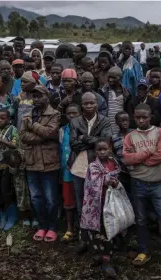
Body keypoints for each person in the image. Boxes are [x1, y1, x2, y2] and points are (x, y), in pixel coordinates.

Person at [123, 103, 161, 279]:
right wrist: (148, 154)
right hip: (138, 184)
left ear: (150, 116)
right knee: (141, 220)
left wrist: (141, 161)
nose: (141, 120)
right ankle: (143, 251)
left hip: (158, 185)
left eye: (144, 117)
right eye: (138, 117)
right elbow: (127, 159)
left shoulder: (160, 132)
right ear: (134, 117)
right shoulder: (130, 136)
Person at [68, 92, 112, 253]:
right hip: (78, 167)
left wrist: (84, 138)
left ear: (96, 104)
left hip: (98, 169)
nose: (88, 106)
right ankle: (84, 239)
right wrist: (94, 141)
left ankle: (98, 240)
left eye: (91, 103)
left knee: (98, 203)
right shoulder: (74, 121)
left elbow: (105, 142)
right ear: (81, 105)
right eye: (85, 104)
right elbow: (73, 144)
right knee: (81, 205)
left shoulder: (105, 121)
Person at [20, 85, 61, 242]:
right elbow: (23, 135)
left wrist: (33, 126)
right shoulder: (28, 114)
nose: (36, 99)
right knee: (36, 197)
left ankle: (53, 227)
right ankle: (42, 226)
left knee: (50, 198)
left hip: (49, 162)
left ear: (47, 96)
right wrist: (41, 136)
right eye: (34, 97)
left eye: (40, 96)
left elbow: (50, 132)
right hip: (31, 161)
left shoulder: (55, 114)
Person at [80, 138, 121, 279]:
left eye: (105, 149)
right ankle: (100, 256)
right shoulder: (93, 166)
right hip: (97, 204)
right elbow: (92, 183)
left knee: (108, 230)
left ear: (110, 149)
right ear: (95, 151)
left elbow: (117, 178)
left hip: (110, 203)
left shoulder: (114, 163)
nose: (102, 152)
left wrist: (114, 182)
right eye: (99, 149)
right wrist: (106, 180)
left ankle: (107, 259)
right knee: (98, 231)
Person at [59, 104, 80, 243]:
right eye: (69, 113)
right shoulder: (62, 130)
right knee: (68, 201)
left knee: (81, 200)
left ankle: (81, 229)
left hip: (80, 171)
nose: (71, 116)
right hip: (66, 171)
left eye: (74, 113)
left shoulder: (83, 129)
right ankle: (69, 229)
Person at [3, 149, 32, 227]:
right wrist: (14, 168)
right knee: (20, 199)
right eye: (13, 165)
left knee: (31, 198)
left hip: (27, 179)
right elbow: (13, 171)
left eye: (16, 164)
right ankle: (24, 218)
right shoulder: (11, 162)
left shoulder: (24, 158)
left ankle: (34, 217)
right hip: (18, 182)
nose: (15, 166)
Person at [99, 66, 131, 134]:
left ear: (120, 78)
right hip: (107, 125)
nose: (110, 79)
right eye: (109, 77)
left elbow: (128, 111)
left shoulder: (126, 93)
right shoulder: (103, 91)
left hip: (121, 126)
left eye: (114, 77)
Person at [111, 111, 133, 200]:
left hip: (137, 172)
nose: (125, 123)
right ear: (116, 122)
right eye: (122, 121)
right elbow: (113, 154)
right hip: (123, 172)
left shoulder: (135, 133)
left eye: (127, 120)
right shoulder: (114, 137)